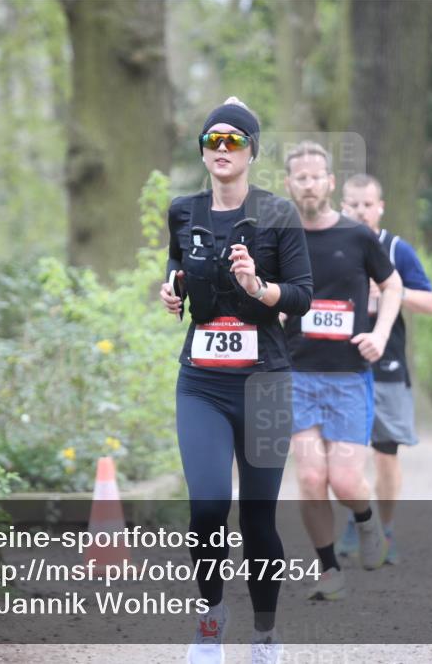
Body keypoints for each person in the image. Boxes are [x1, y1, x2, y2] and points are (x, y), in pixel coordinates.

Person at [159, 97, 313, 664]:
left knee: (257, 518)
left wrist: (258, 289)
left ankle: (266, 635)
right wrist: (171, 290)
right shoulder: (182, 210)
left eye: (234, 140)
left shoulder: (278, 214)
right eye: (213, 140)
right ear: (202, 150)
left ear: (251, 151)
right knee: (206, 506)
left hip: (266, 383)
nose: (222, 149)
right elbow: (177, 268)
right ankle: (209, 622)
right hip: (201, 382)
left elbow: (301, 295)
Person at [280, 141, 404, 601]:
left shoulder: (357, 236)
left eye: (316, 176)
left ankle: (368, 522)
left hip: (349, 376)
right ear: (289, 185)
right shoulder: (280, 237)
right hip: (297, 375)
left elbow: (392, 286)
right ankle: (329, 570)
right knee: (311, 478)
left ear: (331, 182)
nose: (309, 183)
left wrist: (380, 333)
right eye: (300, 177)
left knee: (347, 480)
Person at [336, 174, 432, 566]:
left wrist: (392, 291)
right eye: (353, 204)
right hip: (340, 363)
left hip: (387, 363)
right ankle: (357, 519)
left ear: (380, 207)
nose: (361, 211)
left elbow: (430, 302)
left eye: (368, 204)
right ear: (343, 206)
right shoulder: (333, 244)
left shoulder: (397, 249)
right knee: (346, 454)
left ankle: (387, 528)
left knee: (385, 454)